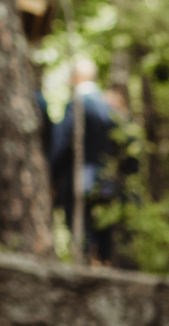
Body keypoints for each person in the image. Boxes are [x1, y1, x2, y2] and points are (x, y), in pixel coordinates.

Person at [49, 59, 124, 264]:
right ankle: (104, 263)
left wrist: (51, 174)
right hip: (106, 178)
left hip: (79, 177)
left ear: (78, 77)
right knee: (103, 228)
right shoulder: (108, 107)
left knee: (80, 227)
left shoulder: (77, 104)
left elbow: (63, 142)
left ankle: (86, 267)